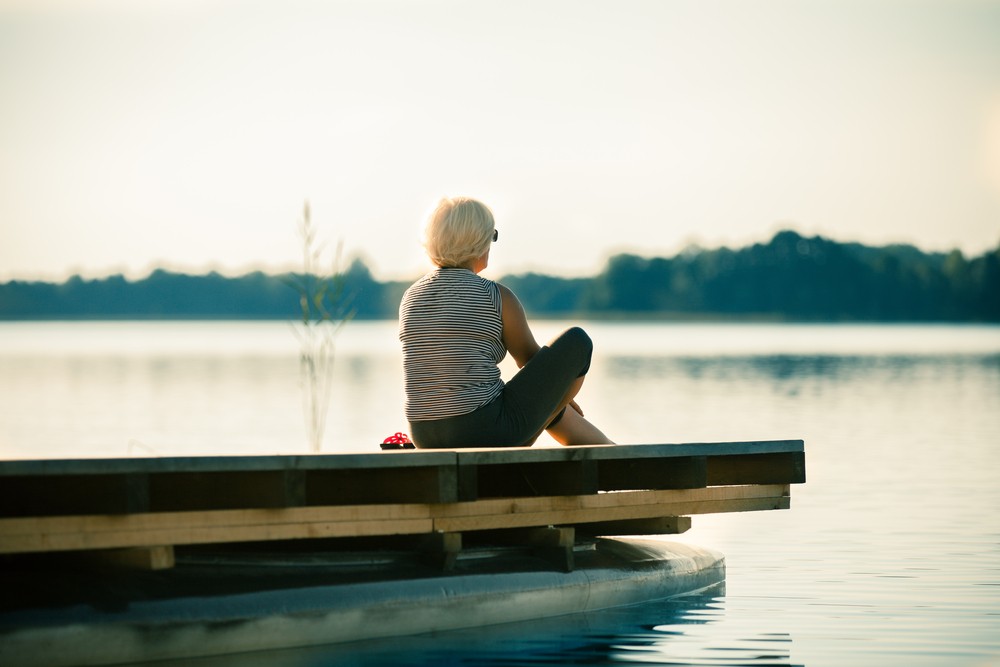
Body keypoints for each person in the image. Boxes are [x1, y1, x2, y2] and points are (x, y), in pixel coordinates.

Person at [398, 196, 614, 449]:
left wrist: (554, 402)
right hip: (485, 430)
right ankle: (615, 456)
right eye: (492, 235)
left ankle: (608, 448)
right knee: (577, 341)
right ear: (479, 241)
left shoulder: (410, 297)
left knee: (545, 406)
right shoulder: (496, 297)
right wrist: (558, 396)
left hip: (423, 434)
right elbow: (531, 361)